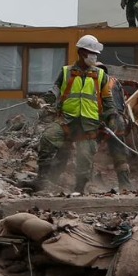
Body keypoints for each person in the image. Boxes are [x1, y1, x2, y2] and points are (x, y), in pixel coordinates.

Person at [37, 35, 129, 192]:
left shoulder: (102, 76)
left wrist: (112, 117)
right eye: (91, 53)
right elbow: (54, 91)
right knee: (48, 138)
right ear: (81, 52)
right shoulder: (66, 72)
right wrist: (41, 101)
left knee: (85, 157)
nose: (94, 56)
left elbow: (108, 101)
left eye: (96, 54)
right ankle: (42, 180)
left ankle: (80, 189)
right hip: (67, 120)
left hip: (89, 124)